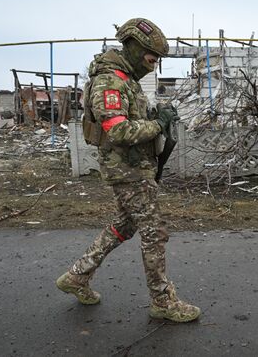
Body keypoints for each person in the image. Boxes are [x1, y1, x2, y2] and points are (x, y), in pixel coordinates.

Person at [56, 18, 200, 323]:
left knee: (123, 226)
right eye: (151, 59)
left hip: (134, 167)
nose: (153, 65)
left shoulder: (125, 79)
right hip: (129, 170)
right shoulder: (111, 81)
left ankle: (76, 276)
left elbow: (129, 118)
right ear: (135, 49)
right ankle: (163, 301)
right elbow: (118, 131)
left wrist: (156, 115)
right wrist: (157, 124)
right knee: (154, 232)